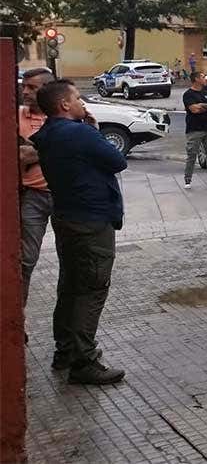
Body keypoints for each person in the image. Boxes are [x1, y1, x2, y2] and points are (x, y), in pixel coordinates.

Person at [30, 80, 127, 385]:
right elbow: (117, 161)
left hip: (67, 216)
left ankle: (65, 351)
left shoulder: (47, 134)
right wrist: (93, 131)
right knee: (92, 288)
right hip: (91, 220)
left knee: (71, 285)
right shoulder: (80, 133)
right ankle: (84, 361)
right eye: (77, 98)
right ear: (64, 104)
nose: (82, 102)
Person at [18, 68, 56, 307]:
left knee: (74, 258)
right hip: (32, 196)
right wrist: (57, 148)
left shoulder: (64, 114)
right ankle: (18, 313)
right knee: (25, 260)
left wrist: (35, 150)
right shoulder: (15, 116)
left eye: (32, 87)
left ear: (47, 90)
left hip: (65, 197)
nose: (25, 92)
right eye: (24, 86)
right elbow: (19, 156)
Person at [182, 72, 207, 189]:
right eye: (203, 77)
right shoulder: (188, 94)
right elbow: (194, 110)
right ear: (196, 79)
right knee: (192, 154)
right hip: (194, 129)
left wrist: (201, 105)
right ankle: (188, 179)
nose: (205, 79)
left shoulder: (206, 92)